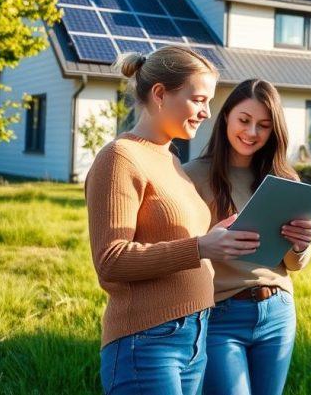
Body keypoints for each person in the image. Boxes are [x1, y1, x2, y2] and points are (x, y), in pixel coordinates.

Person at [86, 46, 261, 395]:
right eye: (198, 99)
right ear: (160, 94)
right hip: (147, 341)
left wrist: (217, 236)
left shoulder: (171, 161)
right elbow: (110, 260)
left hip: (193, 337)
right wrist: (200, 247)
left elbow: (182, 241)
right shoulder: (120, 157)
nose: (206, 113)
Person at [183, 79, 311, 395]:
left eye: (264, 125)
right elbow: (185, 249)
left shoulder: (284, 180)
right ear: (227, 115)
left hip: (279, 311)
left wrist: (301, 243)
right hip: (221, 313)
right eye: (244, 120)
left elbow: (294, 264)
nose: (252, 132)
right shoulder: (191, 175)